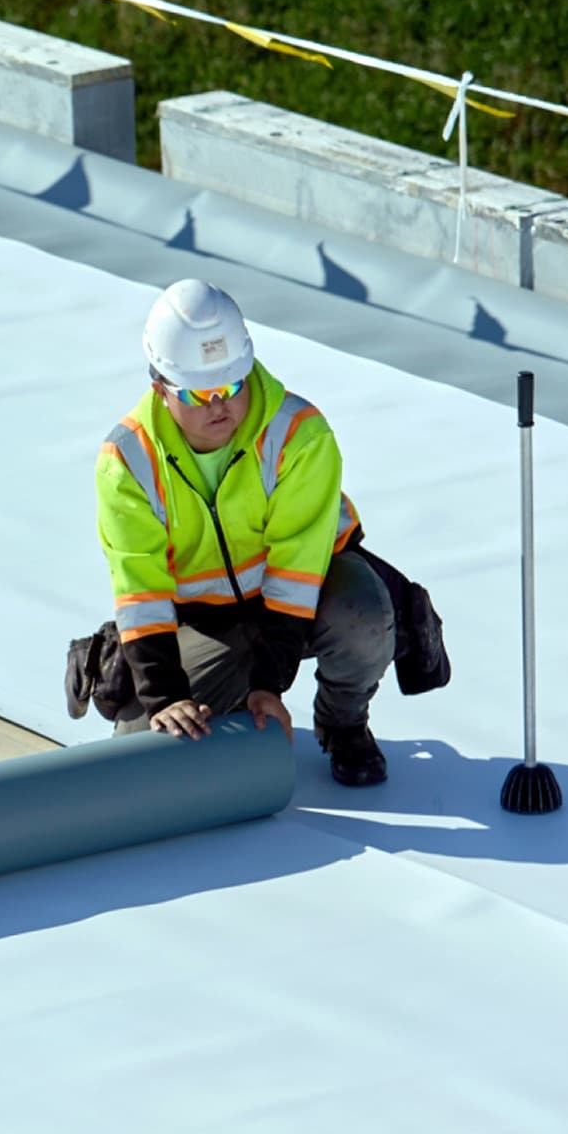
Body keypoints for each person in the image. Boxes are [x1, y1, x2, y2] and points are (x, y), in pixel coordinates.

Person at [95, 278, 395, 785]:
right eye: (200, 393)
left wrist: (268, 685)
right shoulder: (127, 462)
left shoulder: (298, 434)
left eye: (233, 385)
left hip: (299, 604)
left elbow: (296, 576)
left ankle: (343, 724)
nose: (221, 405)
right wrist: (167, 697)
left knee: (364, 613)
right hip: (205, 622)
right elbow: (140, 592)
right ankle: (224, 700)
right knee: (143, 754)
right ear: (160, 387)